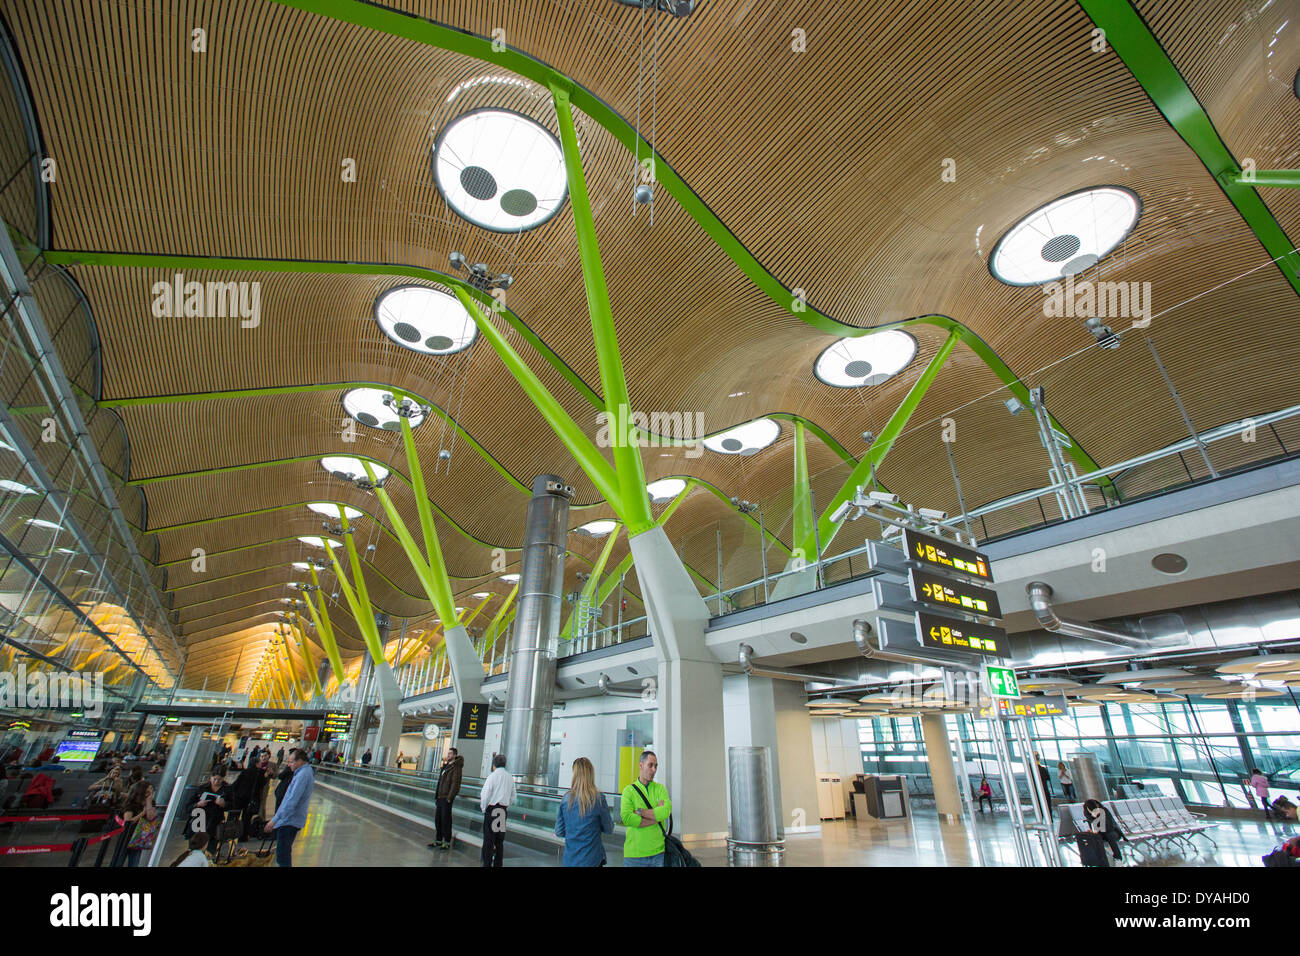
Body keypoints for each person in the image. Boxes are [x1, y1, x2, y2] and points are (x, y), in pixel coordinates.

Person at [555, 757, 613, 866]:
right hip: (592, 860)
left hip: (570, 860)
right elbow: (609, 829)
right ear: (591, 774)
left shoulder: (566, 799)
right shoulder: (598, 798)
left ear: (574, 775)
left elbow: (559, 831)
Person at [264, 748, 315, 867]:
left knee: (282, 854)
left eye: (291, 762)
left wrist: (275, 820)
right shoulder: (303, 772)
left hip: (289, 820)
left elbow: (292, 801)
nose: (289, 765)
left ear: (300, 761)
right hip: (290, 819)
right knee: (283, 852)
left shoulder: (303, 775)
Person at [620, 751, 671, 867]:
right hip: (634, 856)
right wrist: (656, 816)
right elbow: (627, 818)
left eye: (656, 766)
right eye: (650, 765)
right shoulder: (629, 791)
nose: (654, 770)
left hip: (659, 854)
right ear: (641, 765)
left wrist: (640, 811)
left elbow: (665, 811)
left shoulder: (660, 789)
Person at [479, 753, 516, 867]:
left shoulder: (492, 776)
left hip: (492, 810)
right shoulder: (510, 777)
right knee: (499, 840)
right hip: (502, 811)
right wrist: (506, 806)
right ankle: (498, 863)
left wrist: (484, 808)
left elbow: (485, 795)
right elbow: (513, 796)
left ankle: (487, 863)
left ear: (494, 764)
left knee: (489, 840)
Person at [428, 747, 463, 849]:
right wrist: (437, 795)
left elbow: (455, 783)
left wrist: (449, 797)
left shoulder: (456, 768)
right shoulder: (446, 767)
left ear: (455, 755)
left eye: (450, 754)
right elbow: (440, 782)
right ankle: (438, 839)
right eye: (448, 753)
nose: (448, 755)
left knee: (446, 820)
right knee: (438, 819)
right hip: (440, 796)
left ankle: (447, 841)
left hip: (446, 797)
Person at [120, 781, 158, 867]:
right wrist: (142, 813)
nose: (150, 793)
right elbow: (128, 822)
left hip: (140, 836)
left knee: (135, 859)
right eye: (147, 791)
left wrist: (148, 803)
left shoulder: (151, 803)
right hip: (128, 834)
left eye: (151, 790)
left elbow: (150, 817)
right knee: (121, 858)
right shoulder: (132, 804)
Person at [195, 769, 232, 856]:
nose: (216, 782)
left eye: (219, 779)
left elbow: (233, 805)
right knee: (197, 848)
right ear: (210, 778)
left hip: (216, 823)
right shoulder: (202, 788)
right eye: (214, 779)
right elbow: (188, 805)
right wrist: (198, 804)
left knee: (211, 849)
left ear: (223, 779)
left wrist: (224, 804)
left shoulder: (227, 789)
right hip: (200, 821)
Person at [1083, 798, 1125, 863]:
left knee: (1110, 835)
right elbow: (1094, 828)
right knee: (1095, 838)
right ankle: (1100, 859)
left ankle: (1118, 857)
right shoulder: (1089, 815)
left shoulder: (1104, 811)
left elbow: (1109, 827)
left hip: (1112, 832)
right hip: (1100, 834)